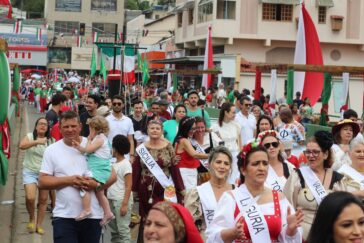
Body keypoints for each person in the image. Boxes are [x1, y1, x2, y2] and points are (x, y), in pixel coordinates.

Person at [39, 111, 116, 243]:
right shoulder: (51, 150)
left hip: (93, 217)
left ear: (80, 126)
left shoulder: (93, 144)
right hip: (64, 217)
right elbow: (42, 181)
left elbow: (113, 175)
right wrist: (70, 180)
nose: (70, 130)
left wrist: (96, 185)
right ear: (59, 128)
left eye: (73, 126)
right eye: (66, 127)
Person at [206, 142, 303, 243]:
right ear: (243, 170)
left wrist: (291, 229)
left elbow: (289, 238)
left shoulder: (279, 198)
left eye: (265, 163)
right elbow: (213, 237)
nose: (261, 168)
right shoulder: (231, 198)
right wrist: (233, 233)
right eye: (255, 164)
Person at [283, 131, 346, 240]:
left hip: (329, 236)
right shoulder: (297, 176)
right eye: (308, 152)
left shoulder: (338, 179)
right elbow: (286, 206)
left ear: (325, 154)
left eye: (316, 152)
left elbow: (343, 210)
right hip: (301, 236)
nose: (311, 156)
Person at [132, 120, 185, 241]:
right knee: (146, 218)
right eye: (152, 128)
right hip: (145, 188)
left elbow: (174, 168)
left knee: (163, 216)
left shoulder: (168, 147)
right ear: (148, 131)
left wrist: (181, 188)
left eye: (157, 128)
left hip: (164, 189)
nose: (155, 130)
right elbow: (136, 170)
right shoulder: (141, 148)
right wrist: (133, 190)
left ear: (161, 131)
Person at [72, 116, 114, 225]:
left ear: (95, 128)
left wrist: (89, 139)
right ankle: (108, 212)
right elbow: (86, 151)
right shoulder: (100, 139)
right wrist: (78, 147)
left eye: (90, 128)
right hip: (102, 169)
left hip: (99, 170)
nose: (89, 130)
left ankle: (87, 209)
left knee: (84, 184)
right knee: (100, 192)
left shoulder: (99, 139)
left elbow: (88, 149)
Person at [185, 146, 234, 239]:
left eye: (226, 163)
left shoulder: (236, 191)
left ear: (230, 167)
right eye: (218, 162)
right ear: (209, 164)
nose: (222, 166)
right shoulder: (197, 193)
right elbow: (190, 226)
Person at [19, 117, 55, 234]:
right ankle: (31, 218)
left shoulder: (51, 141)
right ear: (36, 126)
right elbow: (21, 146)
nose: (43, 126)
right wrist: (36, 142)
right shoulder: (30, 136)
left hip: (44, 173)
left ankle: (39, 224)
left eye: (45, 124)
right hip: (29, 171)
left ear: (48, 128)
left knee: (43, 199)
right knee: (30, 197)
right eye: (40, 124)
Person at [107, 135, 133, 242]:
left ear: (115, 149)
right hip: (111, 199)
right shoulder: (113, 163)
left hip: (120, 201)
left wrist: (125, 204)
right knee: (114, 231)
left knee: (123, 231)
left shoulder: (126, 164)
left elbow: (128, 185)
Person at [174, 116, 209, 190]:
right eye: (192, 129)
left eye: (194, 128)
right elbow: (195, 154)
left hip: (187, 172)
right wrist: (213, 155)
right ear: (186, 128)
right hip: (186, 173)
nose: (193, 131)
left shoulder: (180, 139)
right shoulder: (184, 141)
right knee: (189, 197)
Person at [212, 103, 241, 184]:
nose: (235, 115)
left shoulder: (236, 125)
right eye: (233, 112)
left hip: (235, 154)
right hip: (223, 155)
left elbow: (238, 141)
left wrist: (241, 154)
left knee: (234, 177)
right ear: (226, 112)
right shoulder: (215, 126)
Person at [106, 95, 135, 161]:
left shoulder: (128, 120)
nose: (116, 105)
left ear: (123, 105)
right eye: (114, 104)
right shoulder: (106, 120)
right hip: (109, 157)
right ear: (111, 105)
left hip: (125, 157)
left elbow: (130, 139)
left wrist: (132, 155)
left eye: (119, 104)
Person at [338, 137, 364, 201]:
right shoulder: (342, 173)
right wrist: (358, 193)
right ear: (349, 154)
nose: (362, 154)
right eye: (358, 151)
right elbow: (337, 197)